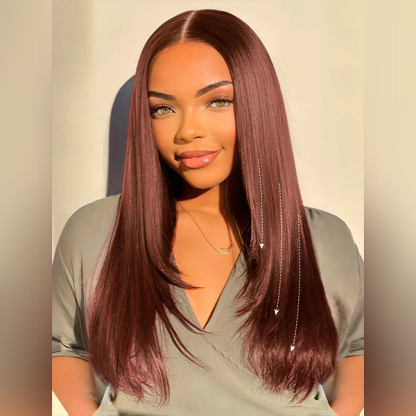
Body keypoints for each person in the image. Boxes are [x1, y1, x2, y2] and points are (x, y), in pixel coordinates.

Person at [52, 9, 364, 416]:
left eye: (218, 101)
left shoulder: (322, 238)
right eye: (163, 109)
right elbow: (62, 346)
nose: (187, 131)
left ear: (258, 103)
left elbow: (361, 345)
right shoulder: (96, 232)